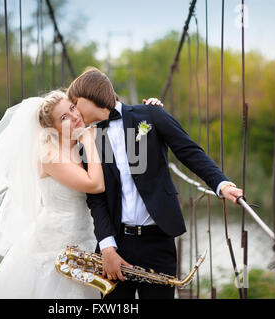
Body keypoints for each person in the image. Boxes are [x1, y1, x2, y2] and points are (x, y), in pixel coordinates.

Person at [0, 91, 163, 298]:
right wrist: (87, 140)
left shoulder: (81, 140)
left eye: (72, 108)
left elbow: (121, 124)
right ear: (53, 129)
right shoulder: (49, 155)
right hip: (55, 247)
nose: (74, 117)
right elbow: (94, 185)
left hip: (87, 242)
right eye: (64, 118)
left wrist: (149, 111)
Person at [66, 67, 244, 299]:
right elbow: (96, 198)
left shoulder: (151, 115)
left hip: (159, 240)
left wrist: (222, 185)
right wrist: (107, 248)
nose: (74, 112)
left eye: (74, 102)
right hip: (116, 244)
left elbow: (189, 152)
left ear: (90, 96)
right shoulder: (88, 140)